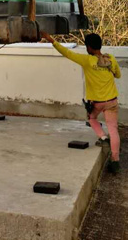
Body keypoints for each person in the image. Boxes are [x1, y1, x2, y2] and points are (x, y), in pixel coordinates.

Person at [41, 31, 122, 174]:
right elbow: (118, 75)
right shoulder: (111, 59)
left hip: (97, 102)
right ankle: (115, 161)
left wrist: (50, 39)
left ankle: (103, 138)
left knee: (91, 118)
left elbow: (66, 52)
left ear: (89, 47)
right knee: (113, 129)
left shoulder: (87, 61)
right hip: (112, 101)